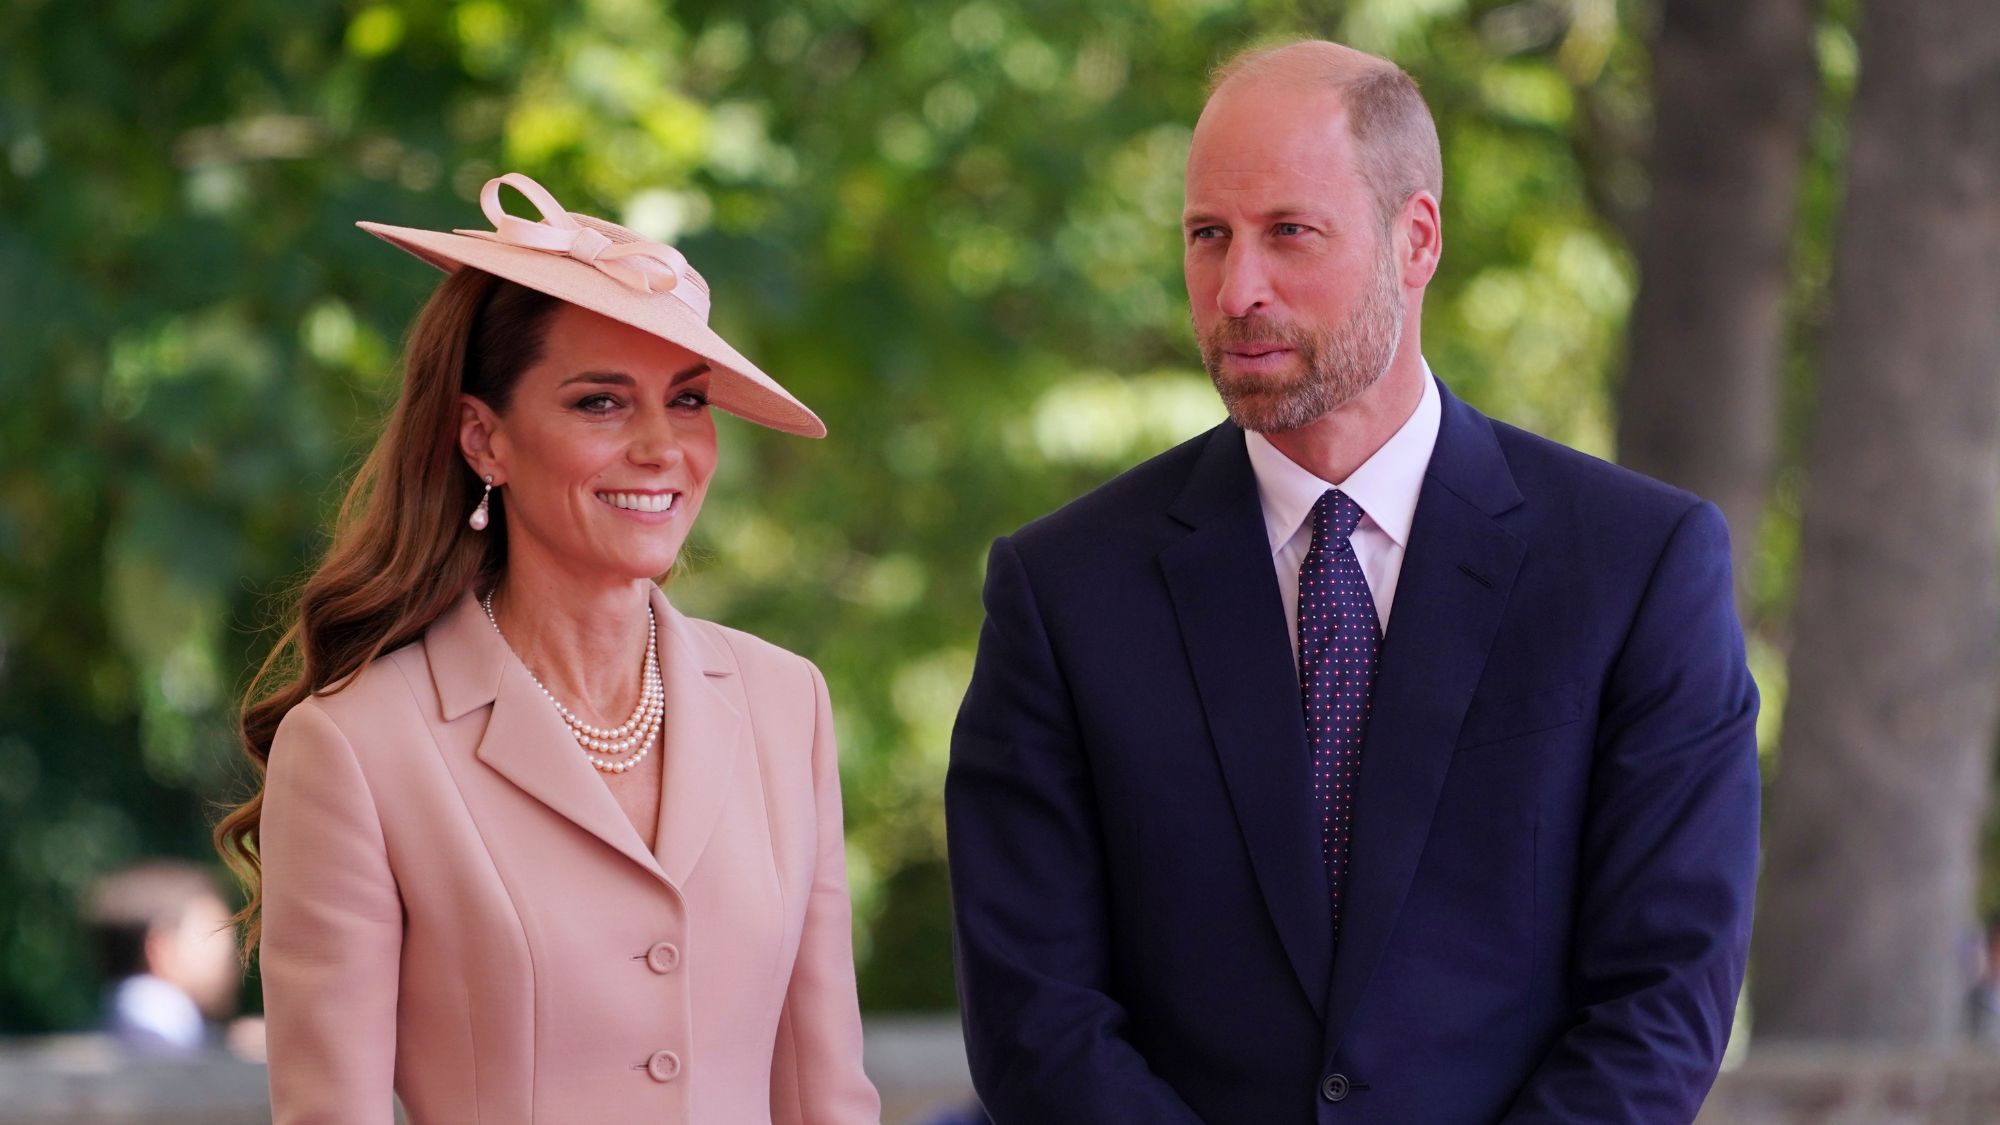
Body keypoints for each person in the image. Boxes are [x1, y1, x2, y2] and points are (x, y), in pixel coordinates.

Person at [946, 39, 1759, 1123]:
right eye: (1206, 236)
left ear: (1412, 238)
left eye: (1288, 232)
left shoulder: (1634, 566)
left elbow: (1664, 995)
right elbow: (1032, 1014)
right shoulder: (1060, 591)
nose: (1237, 289)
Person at [214, 173, 880, 1124]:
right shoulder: (355, 747)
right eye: (601, 403)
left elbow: (828, 1093)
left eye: (687, 402)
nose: (661, 447)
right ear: (484, 438)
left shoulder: (787, 702)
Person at [84, 860, 245, 1056]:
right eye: (215, 936)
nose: (231, 956)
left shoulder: (120, 1021)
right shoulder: (156, 1027)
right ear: (161, 948)